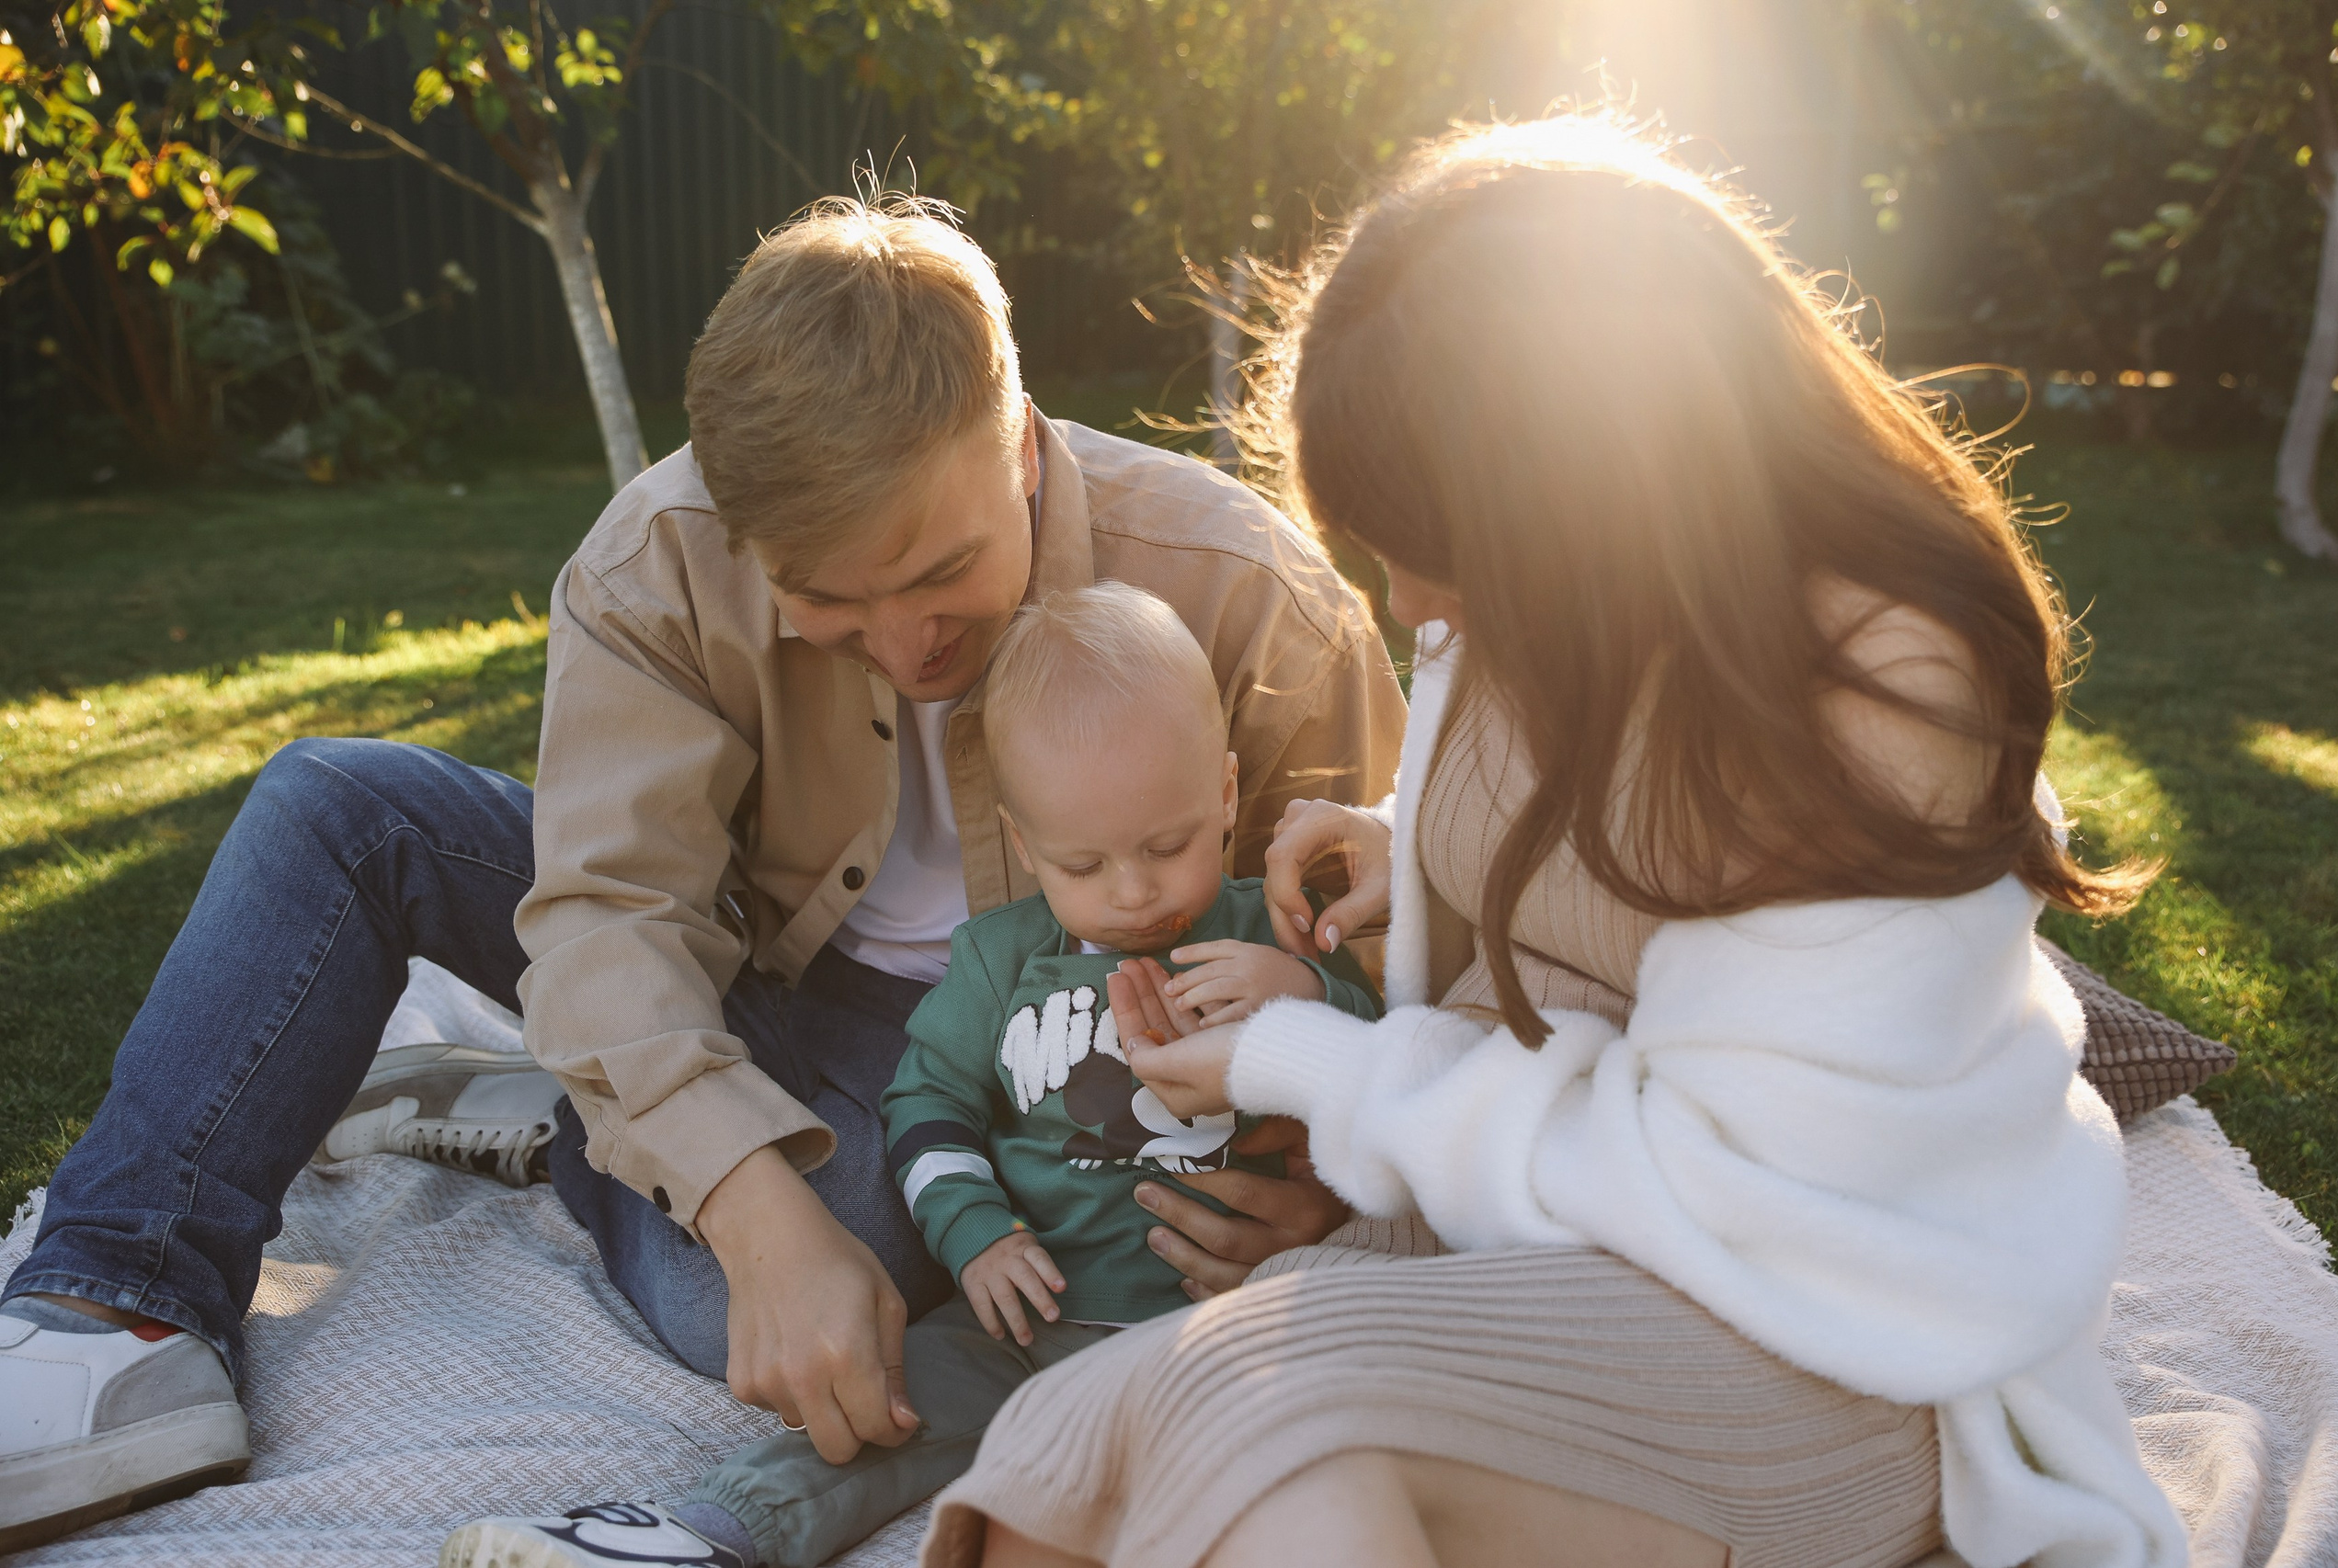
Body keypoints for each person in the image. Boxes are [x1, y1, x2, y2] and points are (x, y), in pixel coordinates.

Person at [0, 198, 1407, 1558]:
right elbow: (611, 909)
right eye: (828, 602)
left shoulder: (1252, 600)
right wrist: (747, 1202)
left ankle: (575, 1099)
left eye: (944, 571)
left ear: (1022, 445)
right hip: (755, 962)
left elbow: (1391, 955)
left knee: (846, 1252)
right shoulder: (657, 558)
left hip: (1003, 1039)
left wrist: (1326, 1192)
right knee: (337, 808)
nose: (907, 639)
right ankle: (111, 1297)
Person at [918, 115, 2191, 1568]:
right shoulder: (1560, 603)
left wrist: (1309, 1066)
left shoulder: (1878, 705)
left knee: (1252, 1421)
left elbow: (1720, 1180)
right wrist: (1420, 854)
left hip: (1824, 1336)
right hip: (1551, 1254)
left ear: (1571, 498)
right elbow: (1619, 842)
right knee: (1057, 1460)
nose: (1405, 606)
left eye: (1423, 547)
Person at [451, 583, 1383, 1568]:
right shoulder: (996, 961)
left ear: (1228, 795)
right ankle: (705, 1535)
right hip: (1036, 1323)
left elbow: (1379, 1071)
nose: (1135, 889)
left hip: (1232, 1320)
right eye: (1082, 861)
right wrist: (976, 1237)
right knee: (885, 1408)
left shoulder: (1268, 930)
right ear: (1023, 844)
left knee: (1300, 1459)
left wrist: (1305, 997)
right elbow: (927, 1106)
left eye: (1170, 843)